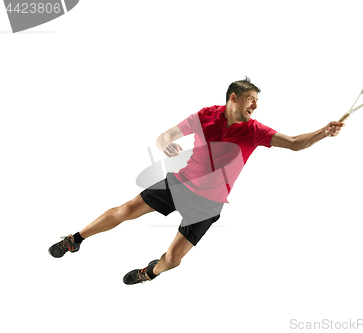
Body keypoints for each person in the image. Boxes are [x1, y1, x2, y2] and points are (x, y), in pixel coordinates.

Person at [48, 77, 344, 285]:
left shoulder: (255, 131)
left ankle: (149, 273)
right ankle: (75, 239)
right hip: (180, 183)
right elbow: (165, 136)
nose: (255, 105)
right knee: (125, 210)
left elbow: (293, 143)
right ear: (233, 98)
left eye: (257, 102)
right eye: (251, 99)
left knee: (174, 259)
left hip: (209, 204)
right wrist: (165, 144)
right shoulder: (206, 115)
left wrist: (322, 132)